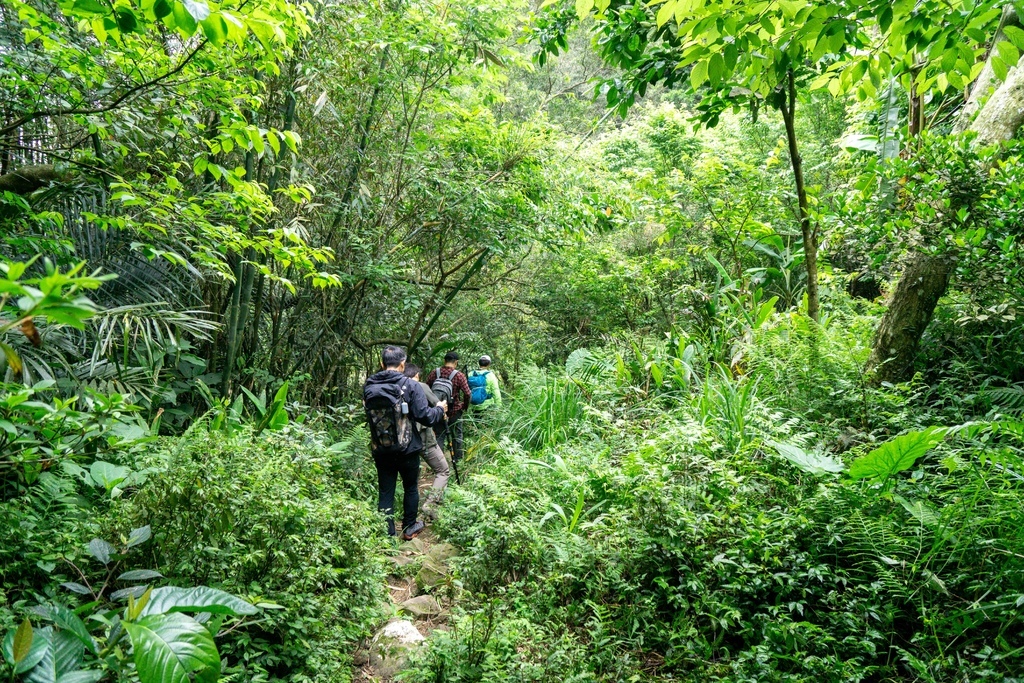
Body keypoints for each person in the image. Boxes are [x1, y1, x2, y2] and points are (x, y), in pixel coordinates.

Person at [363, 346, 446, 540]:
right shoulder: (411, 385)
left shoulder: (369, 385)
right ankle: (409, 527)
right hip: (408, 448)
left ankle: (387, 534)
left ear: (382, 364)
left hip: (381, 448)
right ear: (402, 364)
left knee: (385, 490)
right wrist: (440, 410)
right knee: (410, 487)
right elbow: (425, 417)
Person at [404, 364, 451, 520]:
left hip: (403, 440)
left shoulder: (396, 386)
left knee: (410, 478)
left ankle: (409, 516)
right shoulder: (420, 386)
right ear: (416, 375)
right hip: (423, 436)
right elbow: (439, 405)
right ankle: (430, 504)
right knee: (443, 470)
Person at [426, 351, 471, 463]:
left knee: (439, 436)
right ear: (456, 362)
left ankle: (438, 462)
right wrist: (464, 406)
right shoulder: (459, 375)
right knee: (457, 435)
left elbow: (426, 390)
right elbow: (467, 394)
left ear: (444, 361)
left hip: (439, 410)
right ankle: (458, 460)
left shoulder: (434, 373)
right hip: (454, 410)